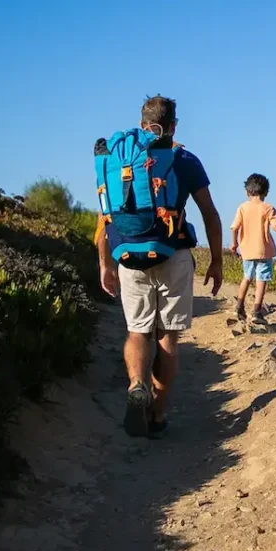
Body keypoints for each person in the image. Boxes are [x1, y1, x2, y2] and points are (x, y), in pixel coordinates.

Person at [96, 95, 224, 439]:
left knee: (138, 331)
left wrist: (104, 263)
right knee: (168, 337)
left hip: (127, 255)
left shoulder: (118, 158)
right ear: (174, 126)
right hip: (172, 254)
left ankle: (137, 383)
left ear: (141, 123)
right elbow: (210, 213)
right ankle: (156, 415)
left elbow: (105, 214)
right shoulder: (183, 159)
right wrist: (216, 260)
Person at [230, 173, 276, 323]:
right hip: (264, 250)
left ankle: (239, 307)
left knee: (246, 278)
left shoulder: (242, 208)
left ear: (247, 192)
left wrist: (234, 244)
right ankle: (256, 312)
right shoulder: (268, 208)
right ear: (266, 192)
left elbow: (234, 228)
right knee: (261, 280)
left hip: (247, 250)